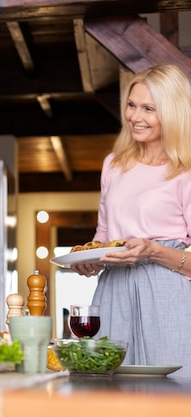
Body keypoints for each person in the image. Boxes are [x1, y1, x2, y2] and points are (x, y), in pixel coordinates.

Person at [72, 64, 191, 377]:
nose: (136, 117)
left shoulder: (186, 170)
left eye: (149, 109)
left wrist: (152, 250)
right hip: (113, 291)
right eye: (132, 105)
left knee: (174, 392)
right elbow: (103, 237)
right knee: (109, 386)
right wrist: (90, 260)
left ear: (173, 113)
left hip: (169, 295)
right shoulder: (114, 164)